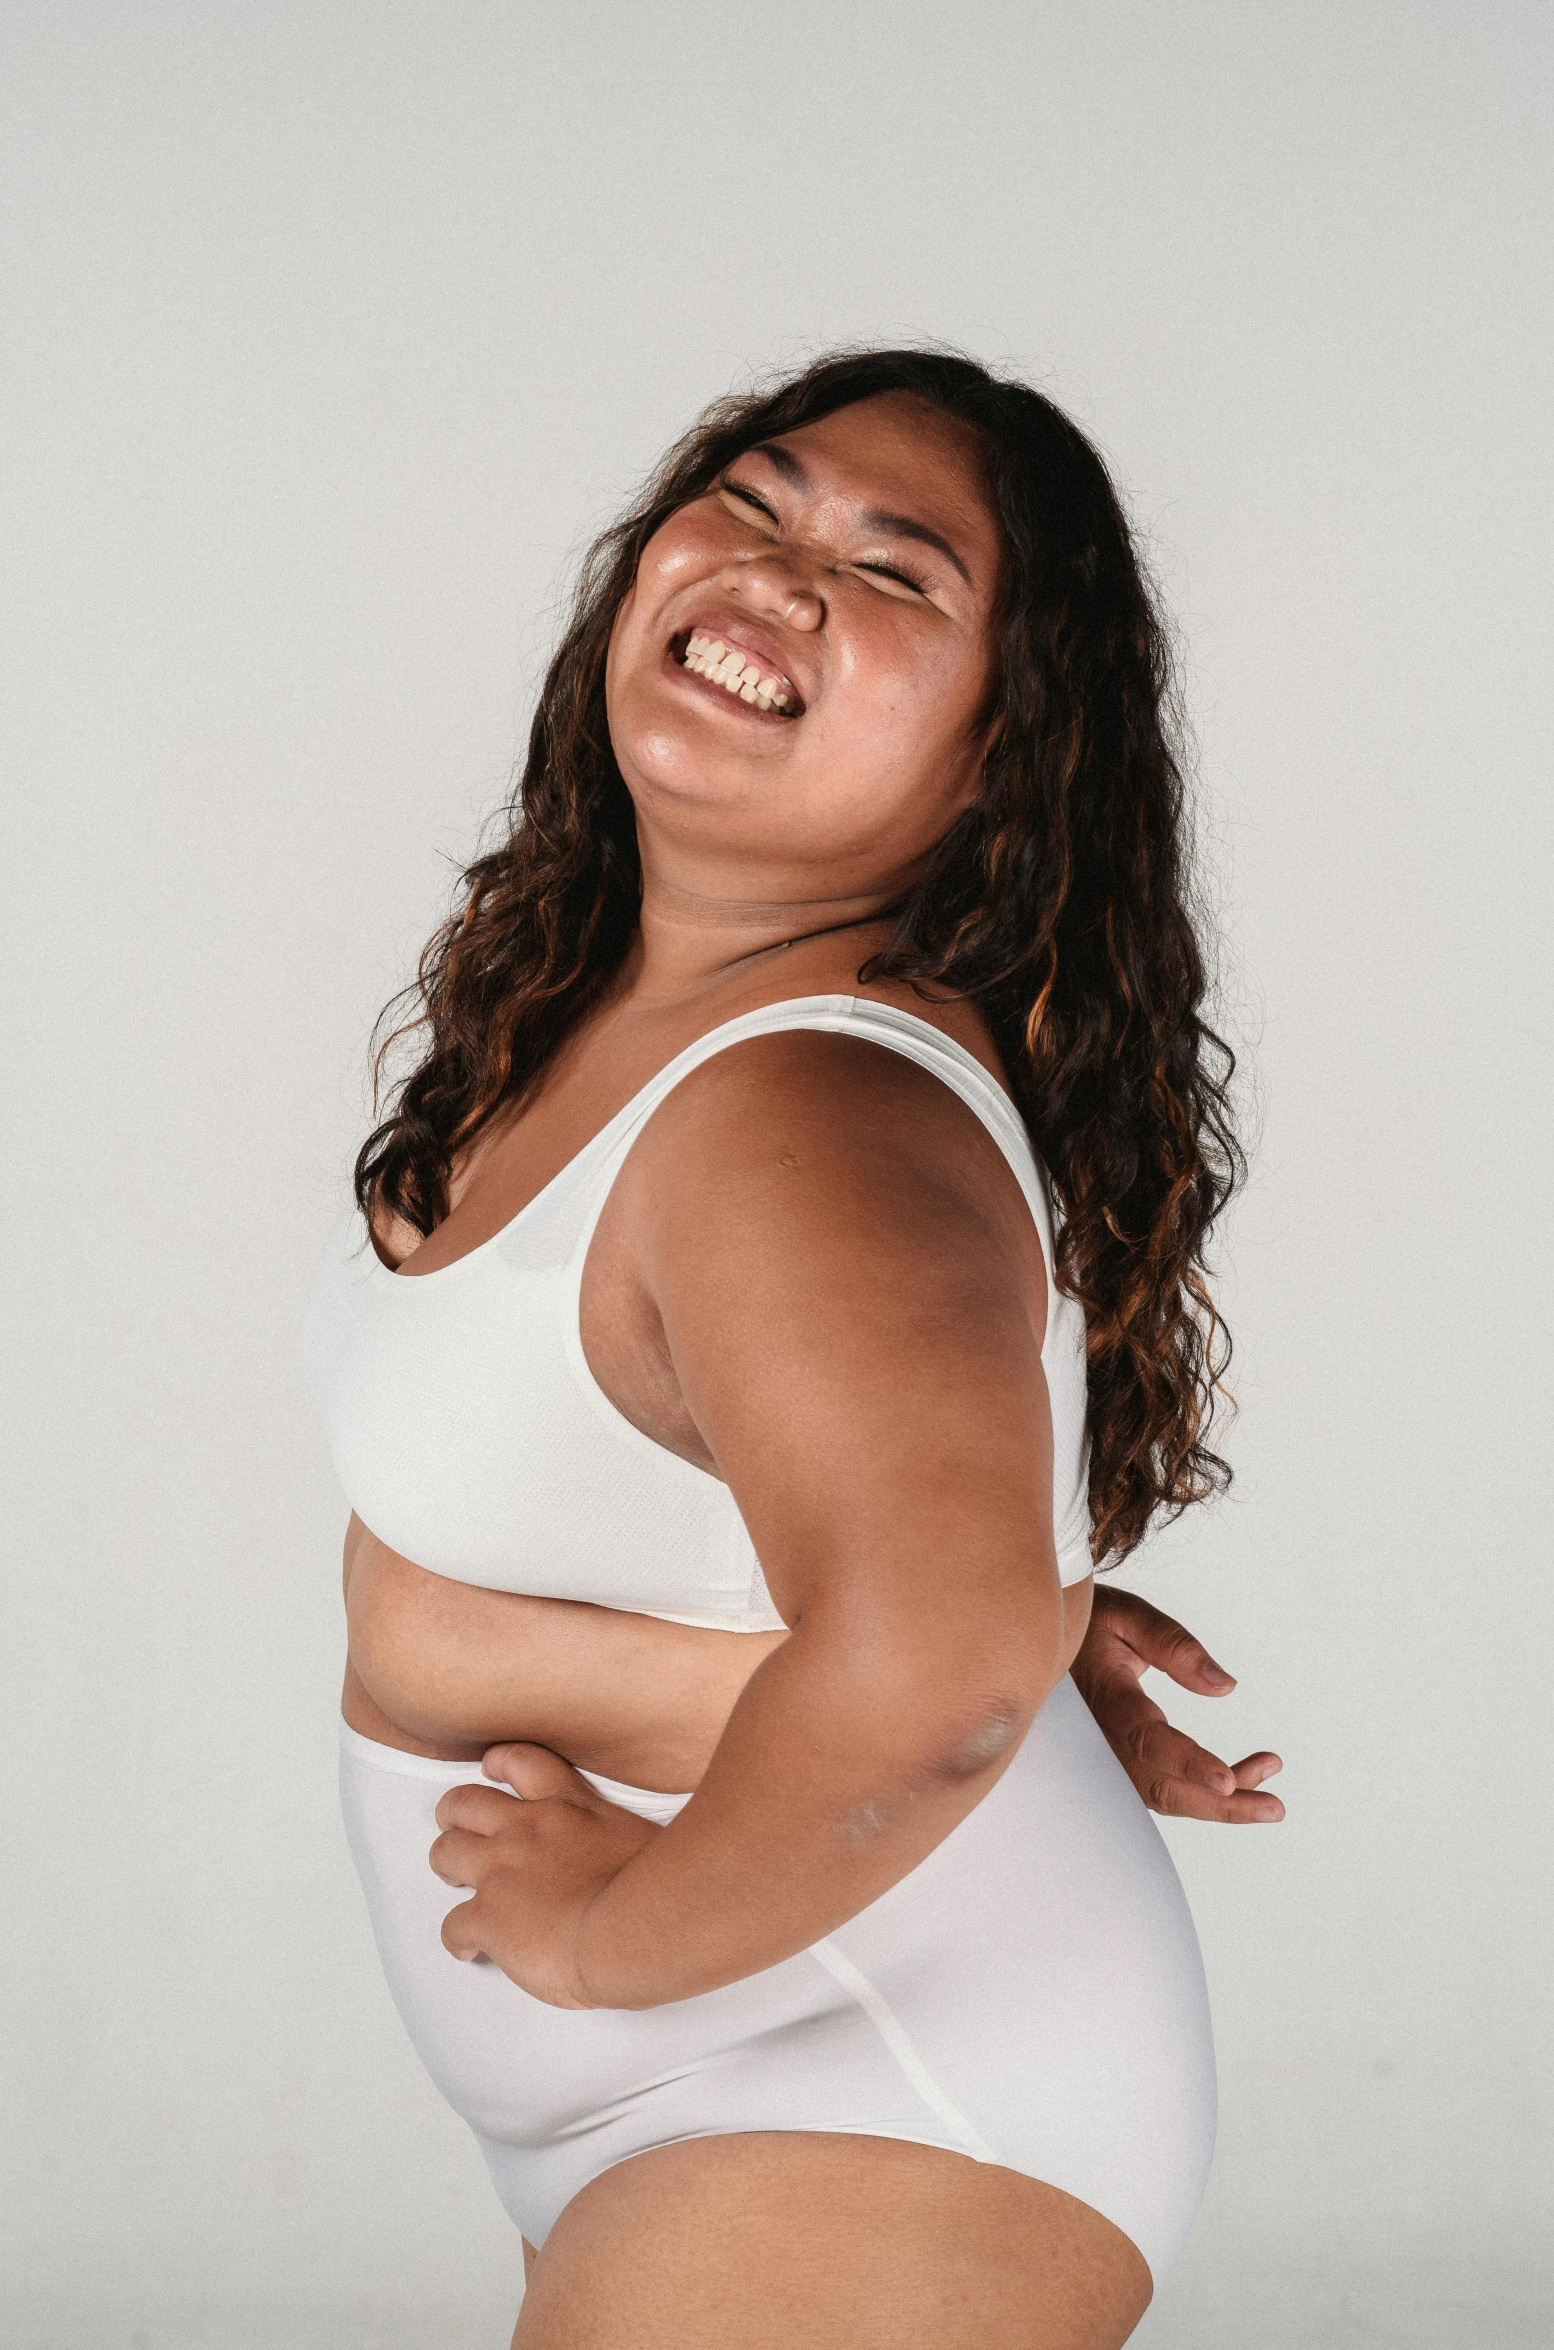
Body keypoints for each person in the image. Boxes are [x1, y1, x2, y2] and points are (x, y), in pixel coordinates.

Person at [305, 347, 1282, 2349]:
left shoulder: (800, 1115)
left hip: (870, 2081)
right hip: (722, 2084)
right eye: (753, 502)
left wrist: (613, 1932)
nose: (781, 571)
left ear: (1011, 758)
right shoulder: (611, 1005)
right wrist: (996, 1597)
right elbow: (809, 1545)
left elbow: (927, 1676)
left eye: (896, 570)